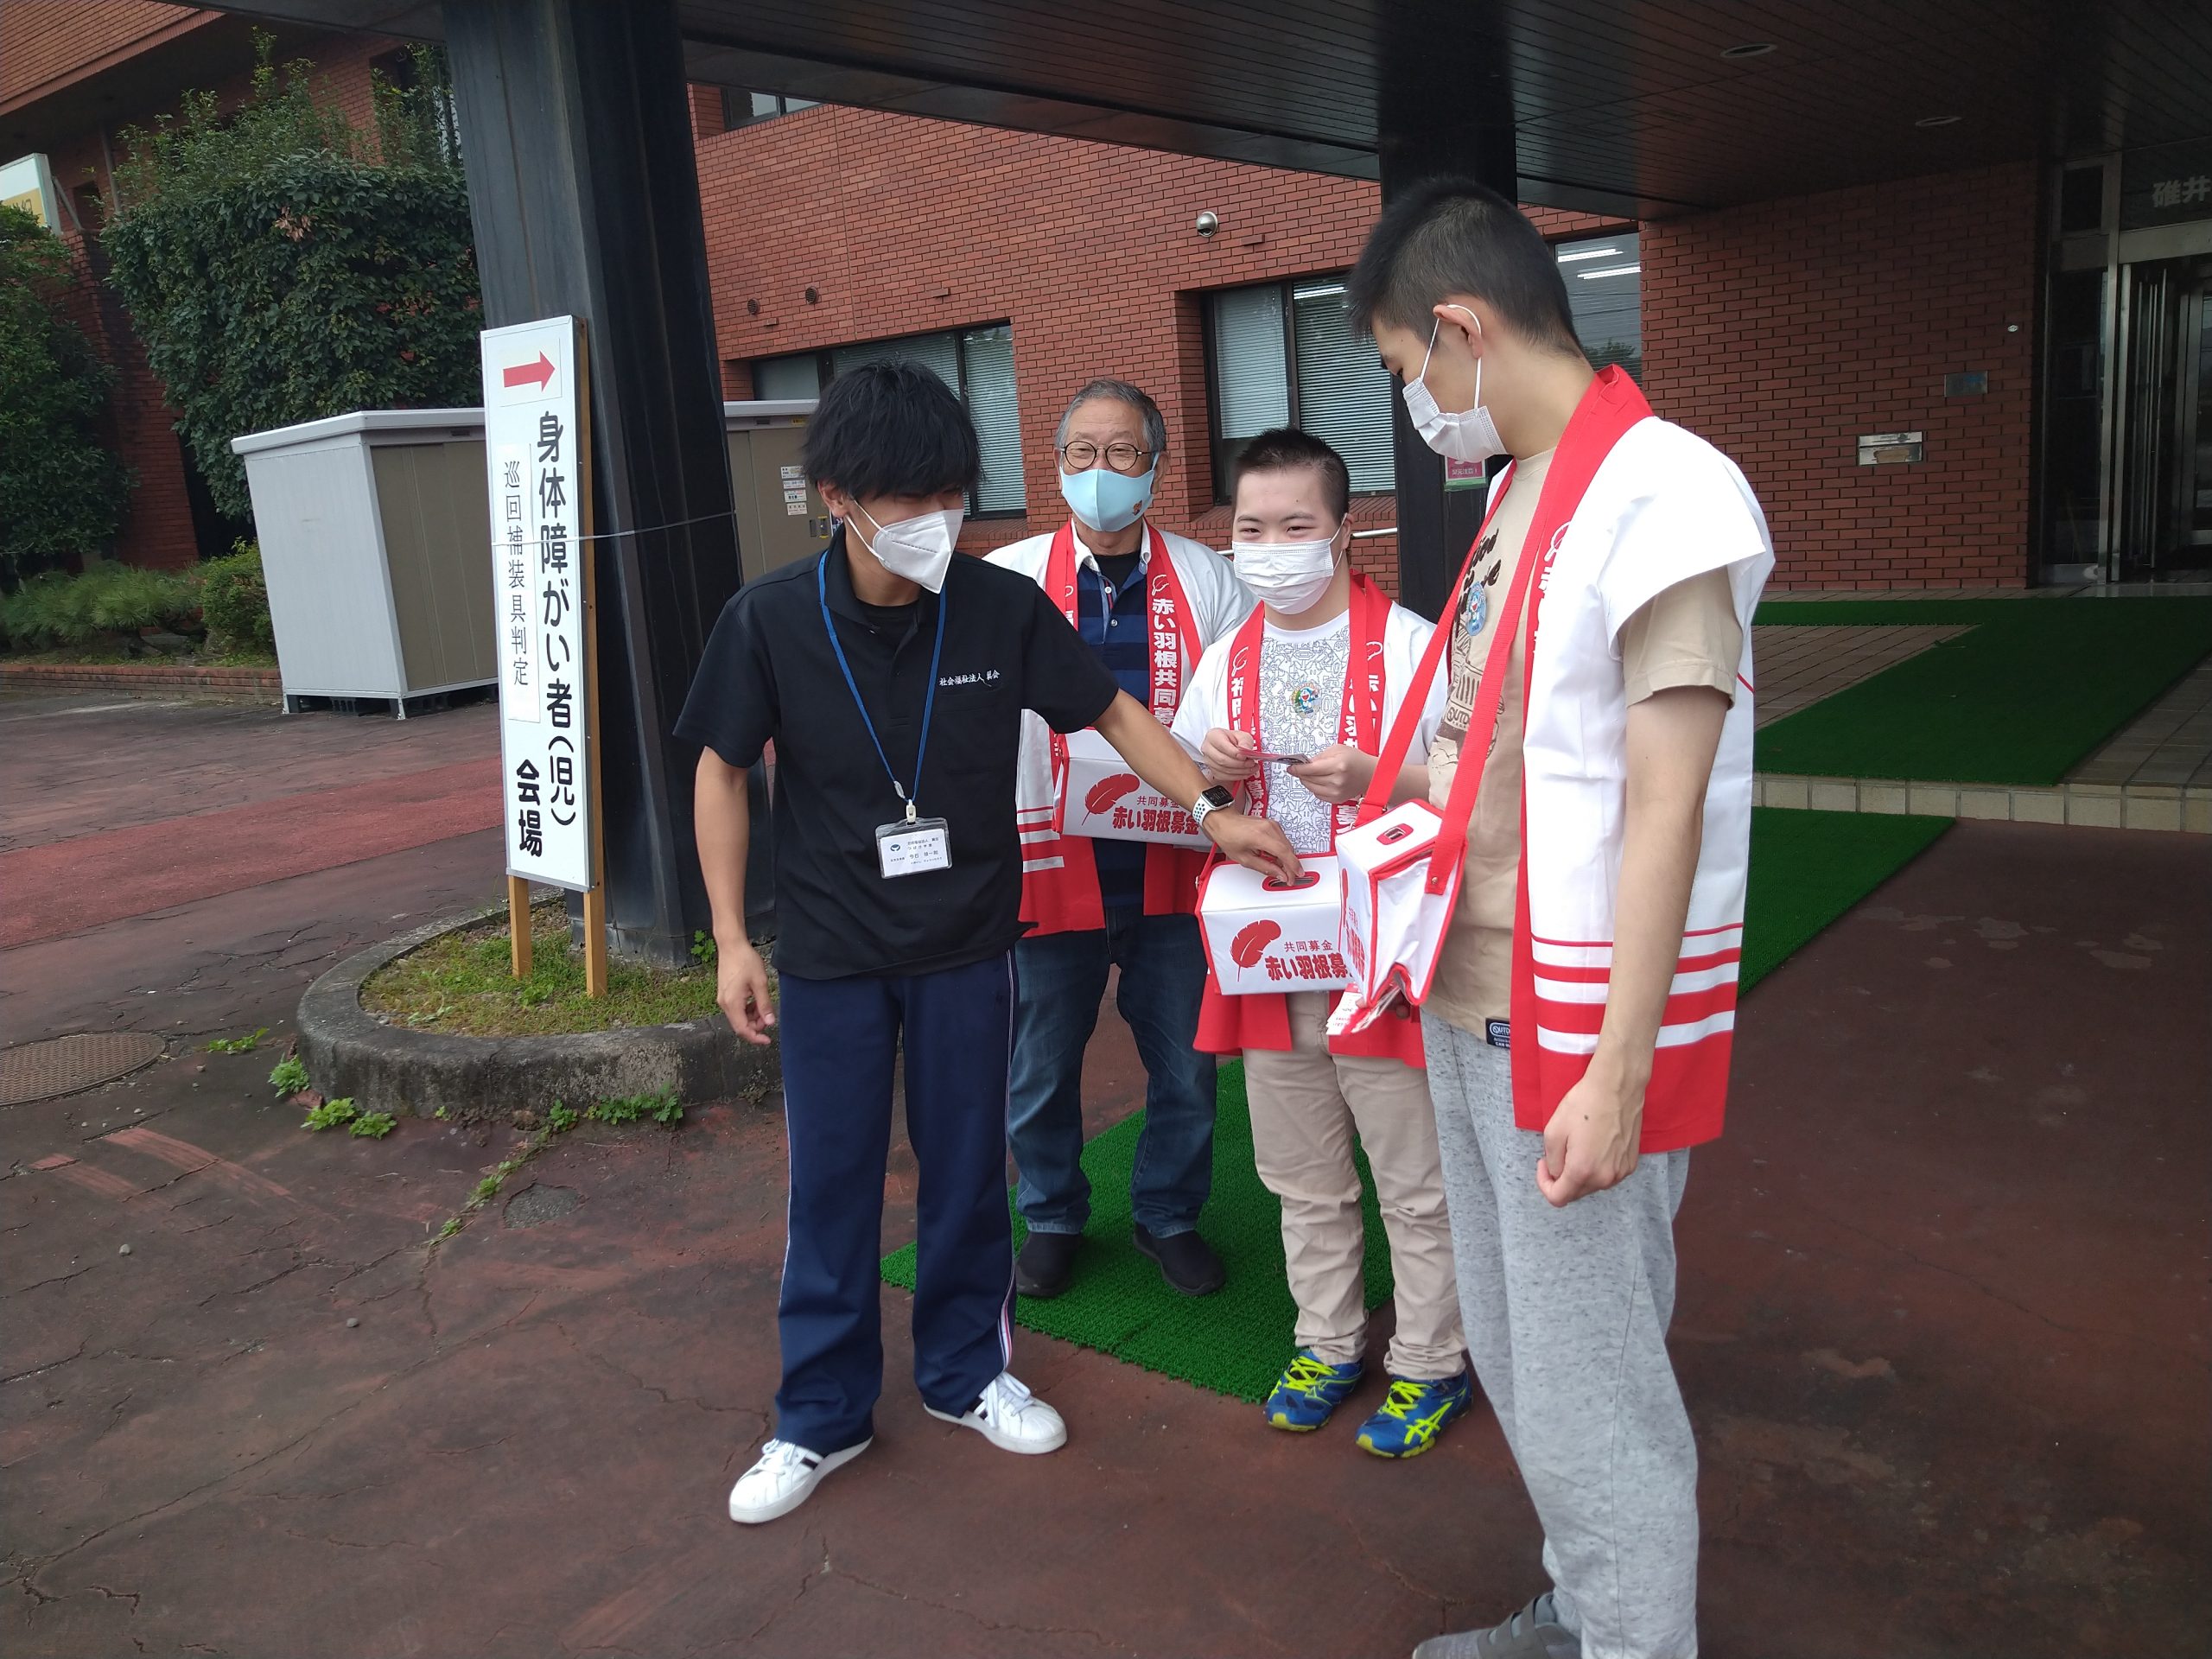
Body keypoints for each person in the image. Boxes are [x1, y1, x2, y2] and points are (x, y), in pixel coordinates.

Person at [677, 361, 1300, 1527]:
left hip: (967, 942)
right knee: (831, 1184)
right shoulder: (768, 617)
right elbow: (720, 770)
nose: (932, 520)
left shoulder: (995, 604)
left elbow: (1111, 711)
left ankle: (967, 1374)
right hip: (830, 952)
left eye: (948, 496)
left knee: (967, 1175)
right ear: (837, 498)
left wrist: (1212, 811)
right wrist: (727, 938)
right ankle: (818, 1417)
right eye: (905, 499)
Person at [1345, 181, 1773, 1657]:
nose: (1416, 403)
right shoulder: (1524, 487)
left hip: (1568, 1022)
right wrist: (1393, 778)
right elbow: (1505, 737)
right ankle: (1589, 1614)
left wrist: (1618, 1070)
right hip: (1468, 991)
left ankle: (1633, 1640)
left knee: (1597, 1394)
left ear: (1460, 328)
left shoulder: (1666, 491)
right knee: (1528, 1366)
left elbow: (1668, 802)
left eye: (1405, 367)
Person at [1173, 428, 1471, 1458]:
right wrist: (1211, 776)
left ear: (1343, 529)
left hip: (1383, 961)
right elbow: (1192, 798)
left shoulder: (1415, 646)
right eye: (1251, 530)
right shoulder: (1225, 659)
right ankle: (1328, 1342)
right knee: (1301, 1176)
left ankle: (1431, 1360)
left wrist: (1386, 779)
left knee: (1414, 1180)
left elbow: (1480, 784)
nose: (1270, 549)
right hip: (1270, 954)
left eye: (1294, 525)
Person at [988, 379, 1255, 1300]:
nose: (1101, 471)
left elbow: (1239, 692)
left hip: (1172, 862)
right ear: (1057, 464)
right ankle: (1052, 1217)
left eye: (1123, 452)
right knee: (1039, 1065)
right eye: (1082, 453)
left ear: (1156, 466)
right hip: (1047, 865)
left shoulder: (1209, 577)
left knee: (1187, 1063)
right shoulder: (1010, 578)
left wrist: (1232, 747)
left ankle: (1168, 1215)